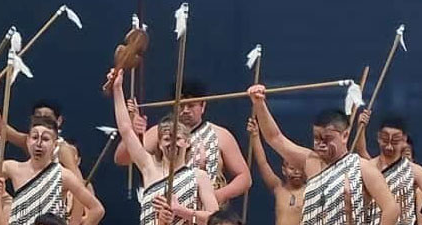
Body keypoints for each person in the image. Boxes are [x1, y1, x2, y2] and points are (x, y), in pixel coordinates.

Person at [247, 84, 399, 224]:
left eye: (327, 139)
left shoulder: (363, 168)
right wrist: (259, 104)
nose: (320, 144)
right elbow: (275, 138)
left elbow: (391, 208)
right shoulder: (310, 161)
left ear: (345, 136)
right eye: (317, 138)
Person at [113, 79, 251, 205]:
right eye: (181, 105)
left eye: (191, 105)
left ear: (202, 106)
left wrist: (218, 195)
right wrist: (134, 131)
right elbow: (122, 159)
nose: (185, 111)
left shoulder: (221, 135)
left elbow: (244, 177)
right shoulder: (160, 133)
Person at [0, 114, 104, 225]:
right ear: (28, 141)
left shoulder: (64, 176)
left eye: (46, 139)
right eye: (35, 137)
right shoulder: (13, 168)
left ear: (55, 145)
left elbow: (97, 209)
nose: (39, 143)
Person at [108, 69, 219, 225]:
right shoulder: (149, 167)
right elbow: (126, 130)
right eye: (167, 139)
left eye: (178, 138)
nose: (172, 143)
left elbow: (215, 219)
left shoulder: (199, 176)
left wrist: (180, 210)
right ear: (159, 144)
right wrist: (117, 89)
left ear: (187, 142)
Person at [353, 112, 422, 225]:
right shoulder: (369, 168)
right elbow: (361, 151)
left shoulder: (414, 171)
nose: (389, 146)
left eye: (395, 141)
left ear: (404, 140)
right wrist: (360, 127)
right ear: (378, 137)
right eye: (385, 140)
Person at [246, 118, 304, 225]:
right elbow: (262, 163)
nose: (296, 172)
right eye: (292, 168)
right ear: (284, 170)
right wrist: (255, 136)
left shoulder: (310, 190)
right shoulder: (278, 188)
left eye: (300, 168)